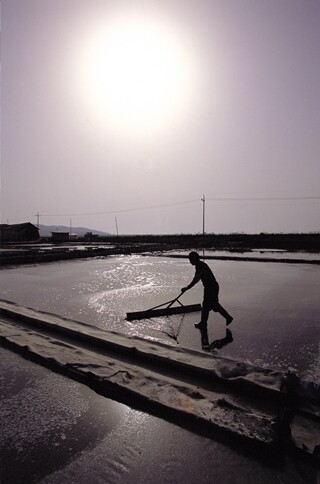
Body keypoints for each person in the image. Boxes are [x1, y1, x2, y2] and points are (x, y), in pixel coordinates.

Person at [181, 251, 233, 329]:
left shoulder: (200, 266)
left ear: (195, 259)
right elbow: (196, 279)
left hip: (211, 287)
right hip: (211, 287)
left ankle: (205, 323)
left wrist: (186, 288)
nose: (190, 261)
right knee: (210, 306)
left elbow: (195, 280)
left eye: (191, 259)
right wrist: (187, 288)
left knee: (210, 305)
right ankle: (206, 322)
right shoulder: (200, 265)